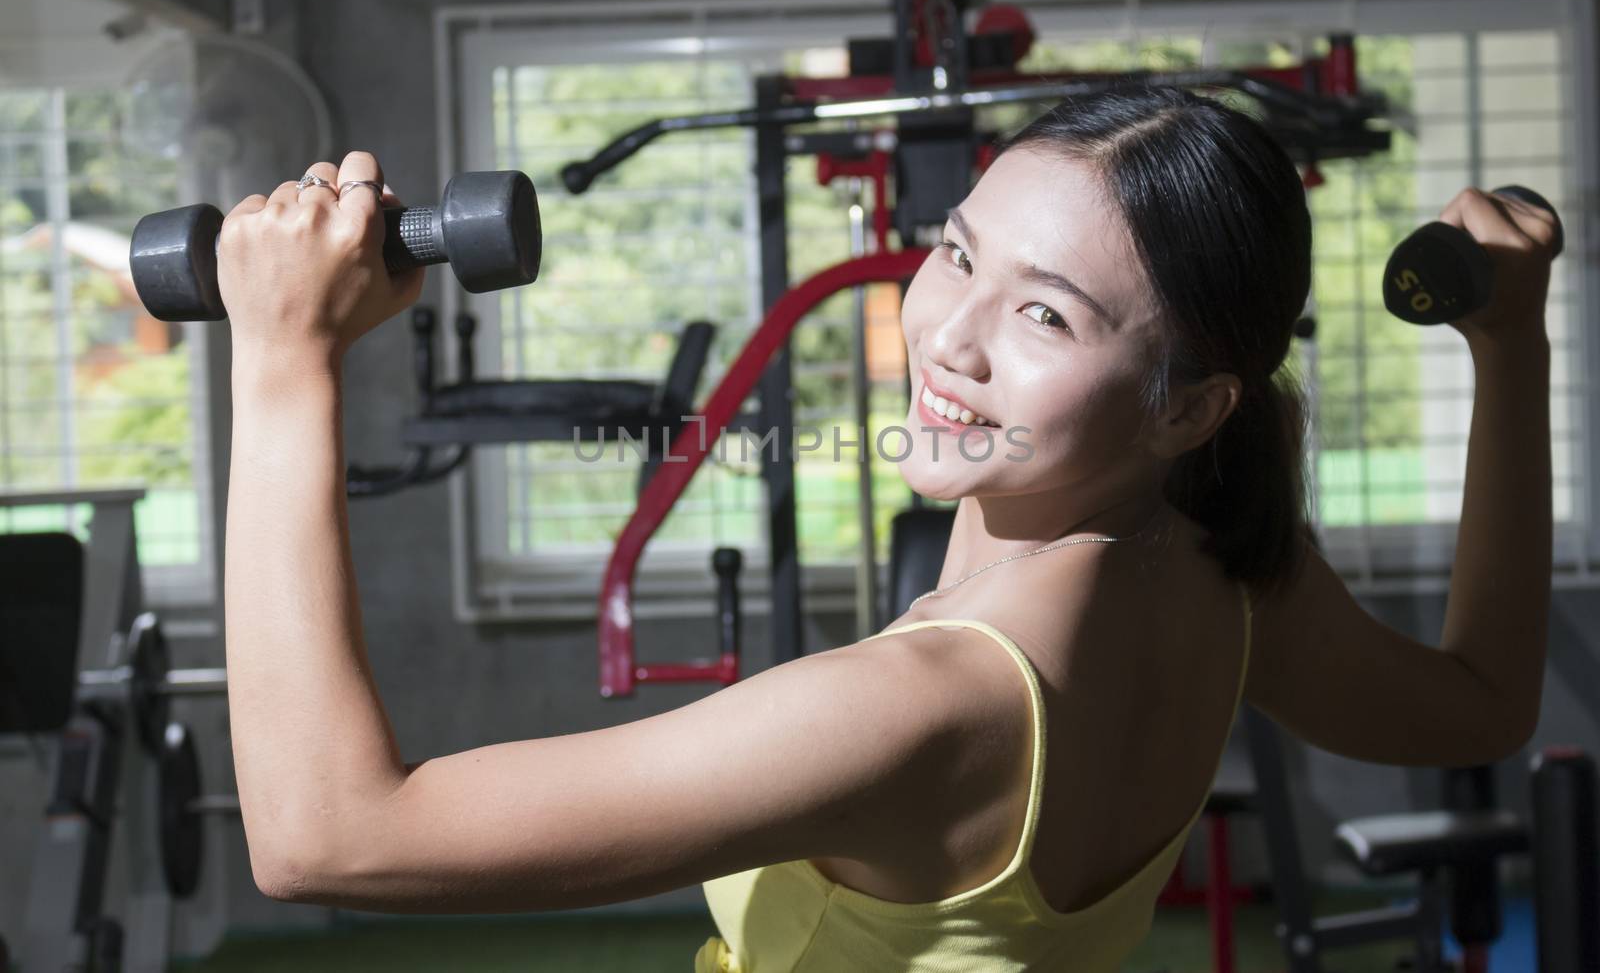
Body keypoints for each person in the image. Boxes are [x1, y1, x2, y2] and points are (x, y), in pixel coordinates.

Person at [218, 86, 1556, 972]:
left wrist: (286, 361)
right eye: (960, 253)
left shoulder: (913, 711)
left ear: (1190, 407)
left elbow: (329, 837)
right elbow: (1485, 704)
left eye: (1047, 315)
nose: (950, 338)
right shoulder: (1225, 570)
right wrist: (1511, 345)